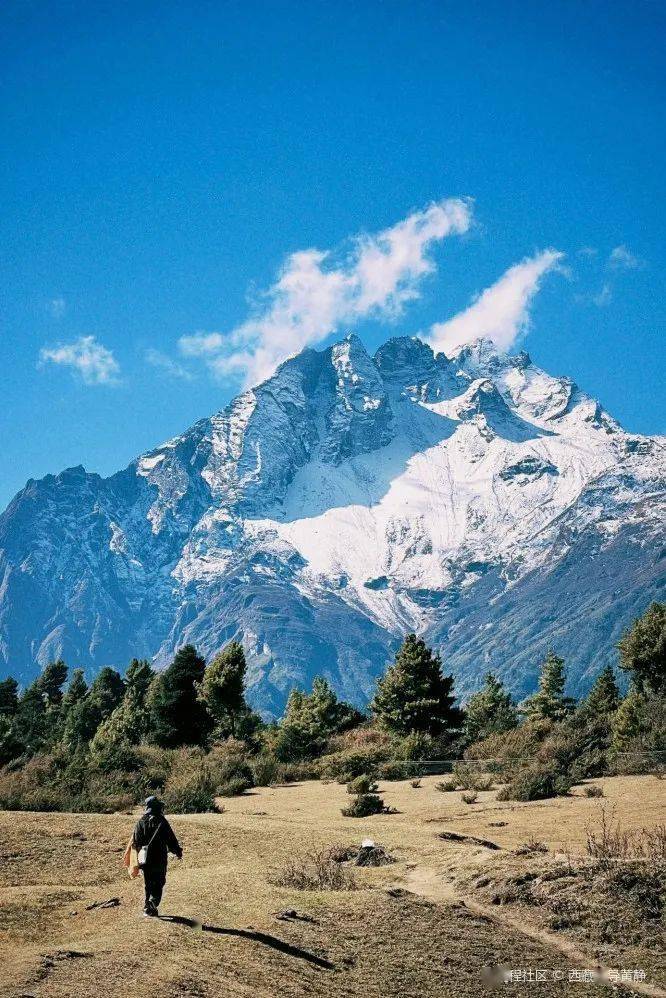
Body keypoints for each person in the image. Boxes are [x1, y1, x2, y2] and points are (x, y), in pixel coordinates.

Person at [132, 796, 182, 917]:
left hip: (145, 858)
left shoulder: (141, 821)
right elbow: (170, 838)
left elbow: (136, 841)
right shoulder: (161, 821)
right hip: (159, 857)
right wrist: (177, 851)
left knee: (148, 882)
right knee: (159, 881)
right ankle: (152, 903)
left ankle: (147, 907)